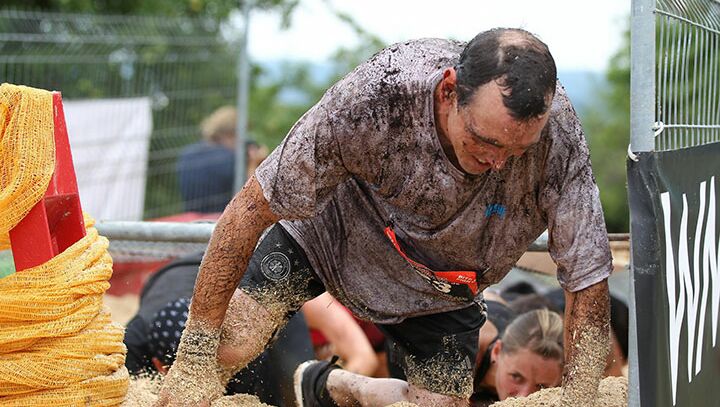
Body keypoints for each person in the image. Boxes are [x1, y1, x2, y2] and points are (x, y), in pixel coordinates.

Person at [155, 27, 612, 407]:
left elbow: (587, 276)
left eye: (517, 152)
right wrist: (194, 357)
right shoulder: (377, 96)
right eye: (486, 142)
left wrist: (582, 397)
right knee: (227, 345)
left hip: (444, 284)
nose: (498, 163)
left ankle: (346, 387)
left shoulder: (561, 143)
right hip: (333, 236)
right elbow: (249, 210)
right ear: (449, 91)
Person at [125, 252, 379, 406]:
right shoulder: (135, 339)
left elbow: (364, 357)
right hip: (184, 278)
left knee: (294, 387)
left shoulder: (291, 304)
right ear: (161, 366)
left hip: (247, 296)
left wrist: (330, 390)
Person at [176, 106, 268, 213]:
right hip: (219, 220)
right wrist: (254, 163)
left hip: (191, 218)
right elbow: (248, 199)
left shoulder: (186, 154)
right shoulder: (231, 160)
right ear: (233, 133)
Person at [472, 309, 564, 406]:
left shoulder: (562, 387)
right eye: (516, 377)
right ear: (497, 351)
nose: (524, 396)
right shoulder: (470, 351)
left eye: (542, 388)